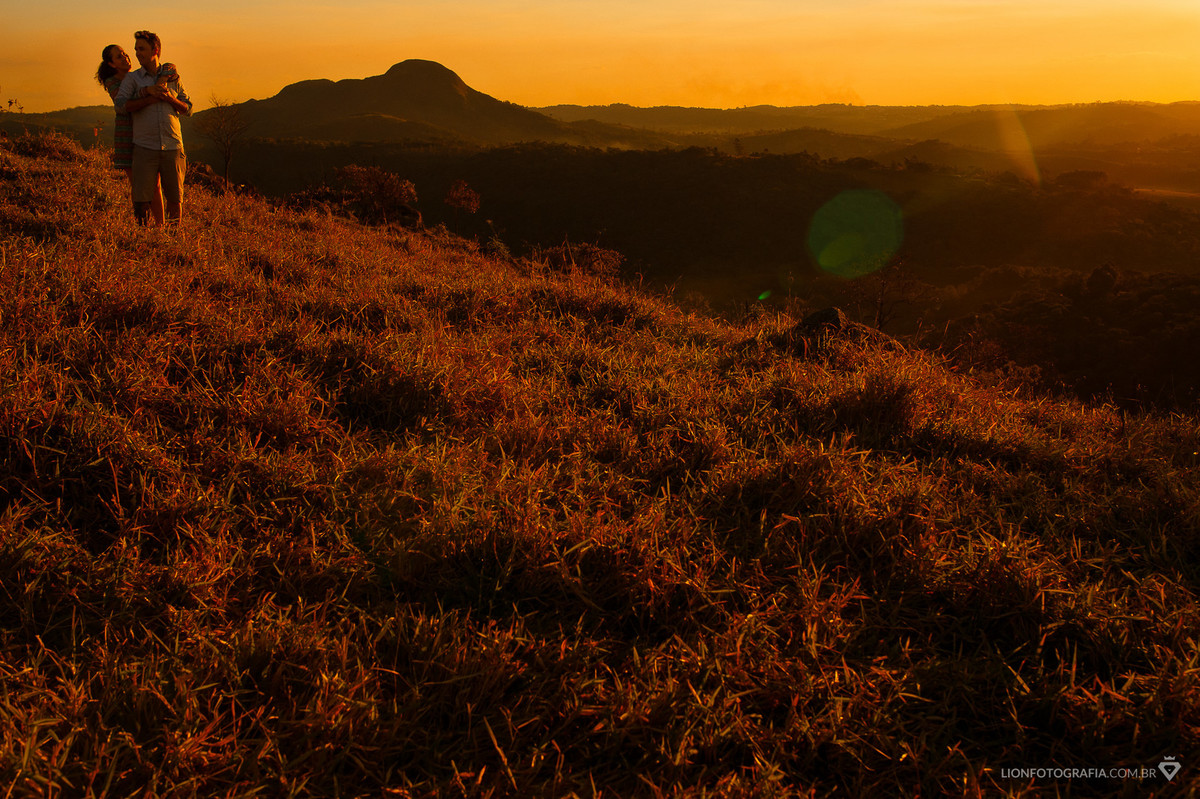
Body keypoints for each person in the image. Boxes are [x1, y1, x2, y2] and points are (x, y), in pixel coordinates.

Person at [114, 31, 192, 226]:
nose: (137, 53)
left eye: (142, 49)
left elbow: (188, 108)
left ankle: (174, 240)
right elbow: (120, 105)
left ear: (155, 50)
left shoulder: (172, 77)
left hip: (173, 145)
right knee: (141, 199)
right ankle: (146, 238)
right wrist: (149, 98)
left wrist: (168, 98)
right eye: (136, 49)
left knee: (175, 198)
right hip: (144, 146)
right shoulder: (133, 79)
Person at [96, 44, 169, 225]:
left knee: (155, 183)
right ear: (112, 64)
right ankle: (142, 224)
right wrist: (150, 94)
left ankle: (160, 225)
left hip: (146, 132)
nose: (126, 58)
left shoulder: (137, 76)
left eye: (125, 54)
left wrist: (167, 71)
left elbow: (164, 69)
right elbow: (124, 102)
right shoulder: (112, 82)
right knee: (139, 184)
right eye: (119, 57)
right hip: (127, 135)